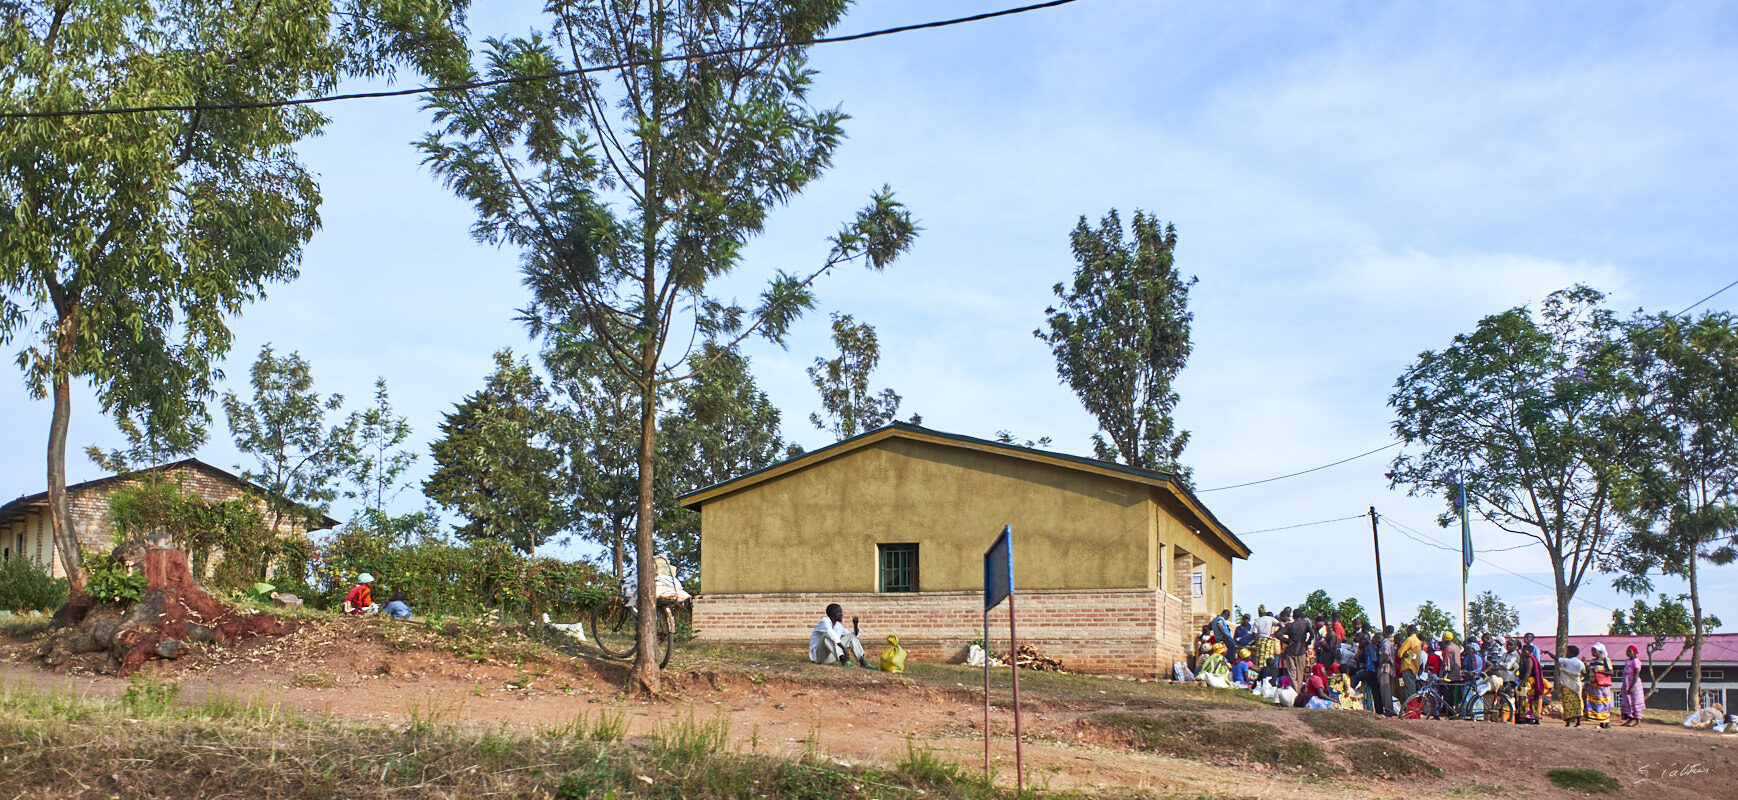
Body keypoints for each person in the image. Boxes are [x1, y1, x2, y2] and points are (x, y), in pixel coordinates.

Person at [809, 603, 872, 668]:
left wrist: (855, 626)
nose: (841, 614)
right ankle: (844, 660)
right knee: (827, 637)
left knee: (851, 637)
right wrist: (844, 649)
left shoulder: (838, 626)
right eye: (839, 612)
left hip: (829, 658)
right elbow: (831, 634)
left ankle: (862, 662)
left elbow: (853, 636)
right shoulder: (824, 621)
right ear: (833, 614)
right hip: (818, 657)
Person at [1582, 643, 1615, 728]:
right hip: (1593, 685)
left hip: (1602, 686)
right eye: (1592, 650)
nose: (1592, 652)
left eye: (1594, 650)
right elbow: (1588, 673)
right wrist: (1584, 665)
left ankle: (1606, 721)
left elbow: (1611, 672)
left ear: (1600, 651)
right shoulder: (1592, 661)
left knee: (1604, 703)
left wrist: (1599, 671)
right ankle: (1600, 720)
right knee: (1596, 704)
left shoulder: (1606, 660)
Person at [1279, 610, 1314, 690]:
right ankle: (1297, 692)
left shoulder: (1290, 625)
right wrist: (1307, 643)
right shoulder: (1306, 624)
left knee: (1291, 673)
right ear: (1301, 616)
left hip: (1290, 651)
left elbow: (1278, 634)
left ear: (1293, 616)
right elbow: (1312, 634)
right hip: (1301, 651)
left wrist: (1287, 641)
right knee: (1300, 673)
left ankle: (1294, 692)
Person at [1517, 636, 1546, 724]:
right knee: (1528, 699)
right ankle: (1530, 717)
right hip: (1528, 680)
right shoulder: (1525, 658)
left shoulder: (1529, 659)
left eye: (1524, 651)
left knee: (1527, 699)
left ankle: (1528, 717)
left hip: (1529, 681)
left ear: (1528, 651)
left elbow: (1528, 672)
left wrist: (1522, 683)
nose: (1522, 652)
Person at [1555, 644, 1584, 727]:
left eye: (1567, 652)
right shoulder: (1580, 663)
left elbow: (1557, 659)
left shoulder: (1568, 661)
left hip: (1566, 685)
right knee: (1577, 703)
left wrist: (1548, 652)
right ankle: (1578, 722)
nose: (1566, 654)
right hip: (1577, 685)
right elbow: (1584, 673)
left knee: (1567, 703)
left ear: (1572, 653)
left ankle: (1568, 722)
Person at [1620, 644, 1646, 727]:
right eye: (1627, 651)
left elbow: (1636, 674)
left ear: (1634, 653)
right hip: (1626, 682)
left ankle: (1638, 721)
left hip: (1634, 683)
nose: (1627, 652)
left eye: (1629, 651)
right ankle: (1630, 719)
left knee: (1635, 701)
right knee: (1627, 701)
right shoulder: (1627, 661)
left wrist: (1632, 686)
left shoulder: (1636, 661)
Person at [1397, 624, 1422, 700]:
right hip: (1415, 668)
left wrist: (1403, 653)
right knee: (1412, 688)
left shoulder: (1409, 639)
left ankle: (1412, 708)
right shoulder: (1418, 641)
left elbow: (1400, 653)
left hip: (1408, 666)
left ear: (1409, 630)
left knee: (1409, 691)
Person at [1376, 626, 1397, 716]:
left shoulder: (1385, 643)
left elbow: (1386, 655)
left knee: (1385, 690)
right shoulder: (1389, 643)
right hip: (1389, 669)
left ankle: (1388, 711)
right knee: (1387, 690)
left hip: (1385, 669)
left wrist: (1379, 662)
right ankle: (1389, 709)